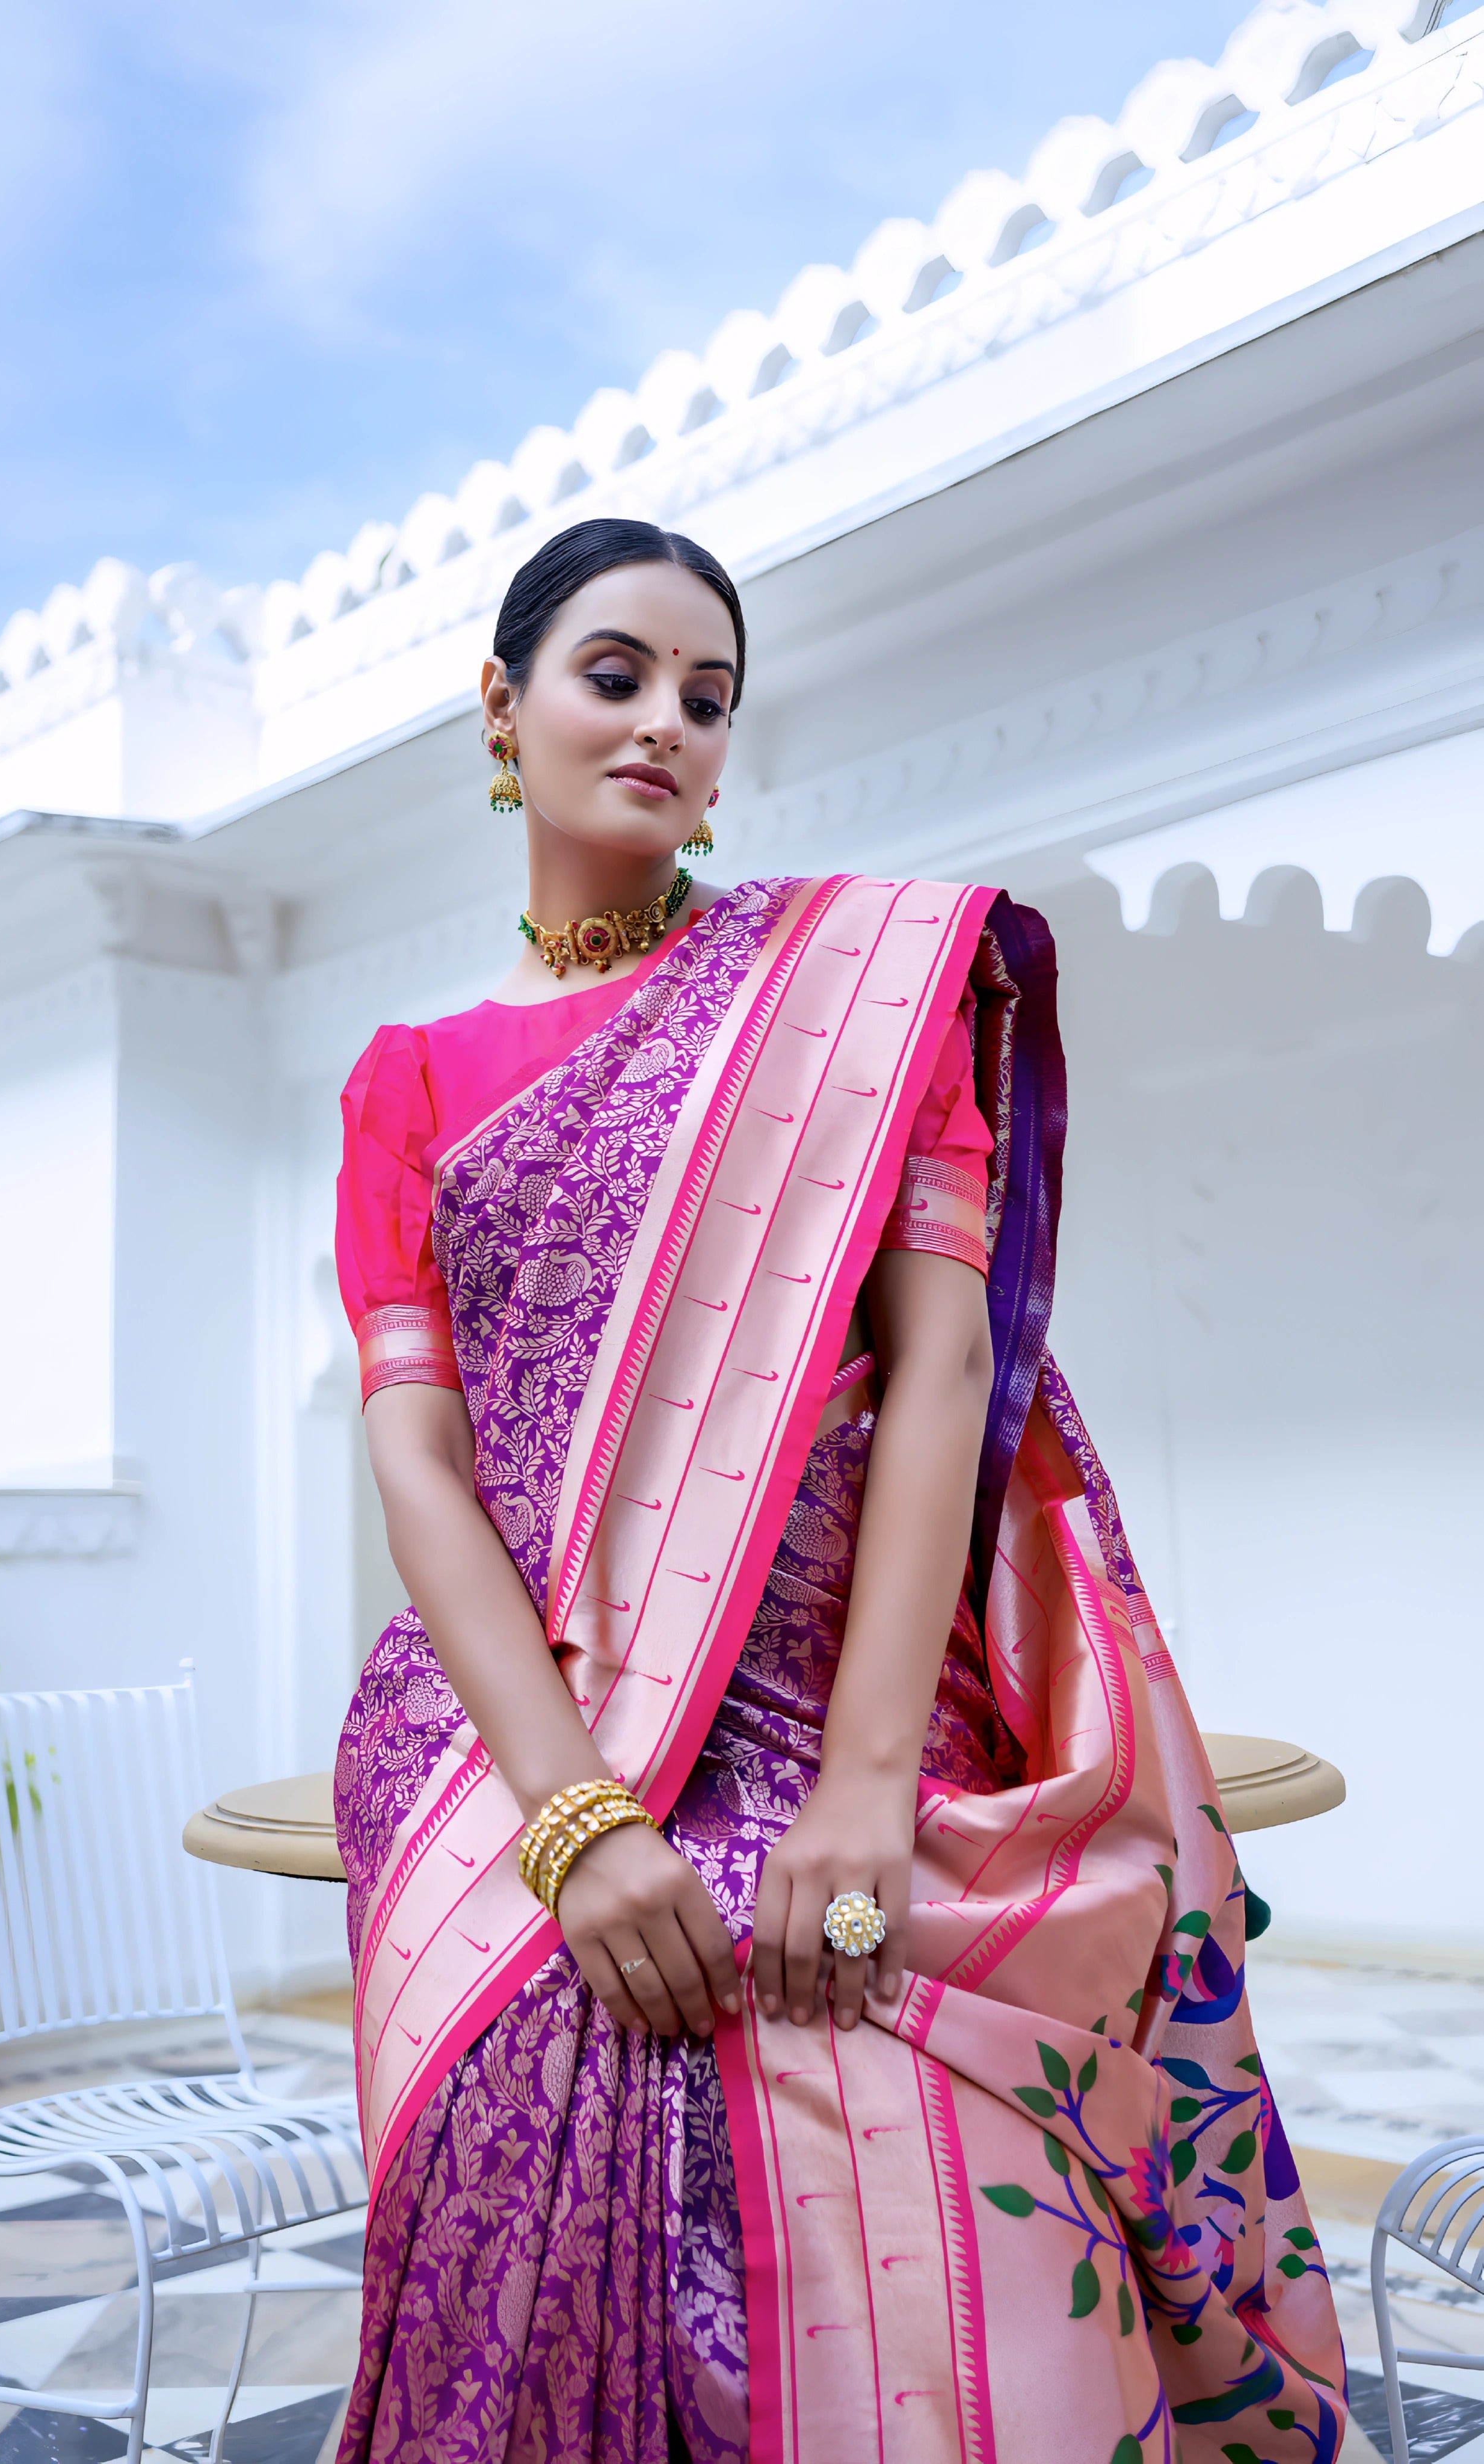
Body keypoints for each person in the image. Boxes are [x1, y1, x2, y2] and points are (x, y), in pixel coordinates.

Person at [331, 518, 1345, 2464]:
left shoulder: (864, 1005)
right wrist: (571, 1821)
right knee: (547, 2026)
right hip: (522, 1716)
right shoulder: (414, 1076)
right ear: (501, 704)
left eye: (706, 699)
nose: (664, 727)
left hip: (830, 1688)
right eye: (613, 674)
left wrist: (869, 1787)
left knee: (892, 2078)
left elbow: (947, 1365)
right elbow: (422, 1459)